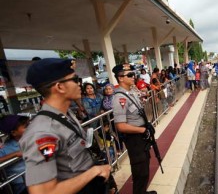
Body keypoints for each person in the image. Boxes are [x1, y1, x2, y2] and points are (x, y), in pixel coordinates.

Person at [20, 58, 111, 194]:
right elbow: (43, 192)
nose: (79, 85)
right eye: (75, 80)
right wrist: (93, 172)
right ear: (59, 87)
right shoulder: (42, 133)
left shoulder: (65, 114)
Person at [112, 63, 157, 194]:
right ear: (120, 78)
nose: (133, 77)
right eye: (130, 75)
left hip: (141, 136)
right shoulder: (120, 98)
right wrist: (142, 130)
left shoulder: (130, 91)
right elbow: (120, 126)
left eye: (134, 74)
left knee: (145, 166)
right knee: (140, 171)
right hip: (134, 138)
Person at [0, 115, 29, 194]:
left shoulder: (29, 140)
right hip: (22, 186)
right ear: (14, 133)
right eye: (26, 127)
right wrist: (14, 154)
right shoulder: (6, 148)